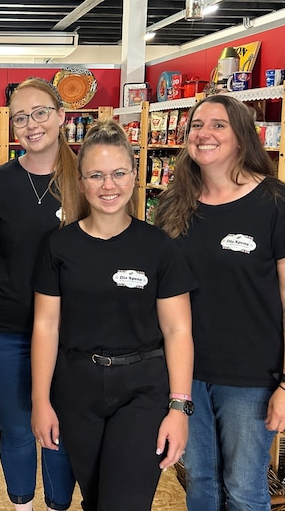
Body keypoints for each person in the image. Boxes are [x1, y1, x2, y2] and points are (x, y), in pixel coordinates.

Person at [154, 95, 285, 511]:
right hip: (187, 371)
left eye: (218, 125)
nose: (203, 133)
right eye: (196, 125)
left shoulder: (278, 202)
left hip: (251, 376)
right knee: (200, 479)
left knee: (244, 487)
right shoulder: (175, 203)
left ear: (242, 137)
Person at [31, 120, 195, 511]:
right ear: (81, 182)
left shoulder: (159, 247)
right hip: (77, 389)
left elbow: (178, 330)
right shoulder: (58, 246)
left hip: (143, 390)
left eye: (119, 173)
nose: (109, 185)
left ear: (135, 176)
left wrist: (179, 408)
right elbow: (46, 325)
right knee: (95, 499)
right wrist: (40, 400)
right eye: (97, 175)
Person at [0, 77, 82, 511]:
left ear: (61, 116)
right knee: (16, 430)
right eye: (20, 118)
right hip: (4, 330)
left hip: (71, 333)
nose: (31, 124)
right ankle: (22, 506)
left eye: (40, 113)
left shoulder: (86, 177)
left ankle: (57, 505)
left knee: (58, 430)